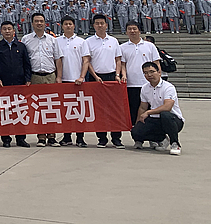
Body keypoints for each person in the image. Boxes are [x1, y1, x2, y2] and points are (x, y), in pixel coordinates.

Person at [80, 14, 124, 148]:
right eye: (97, 23)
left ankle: (116, 138)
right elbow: (87, 61)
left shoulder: (113, 41)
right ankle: (102, 138)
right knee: (99, 109)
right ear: (94, 26)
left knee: (115, 108)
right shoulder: (88, 42)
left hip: (112, 77)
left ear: (106, 25)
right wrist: (94, 76)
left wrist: (117, 74)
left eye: (102, 23)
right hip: (96, 78)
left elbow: (118, 60)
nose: (100, 25)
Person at [21, 12, 63, 147]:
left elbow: (58, 59)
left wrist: (59, 77)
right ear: (32, 23)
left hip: (50, 76)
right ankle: (41, 137)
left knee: (51, 107)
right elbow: (24, 60)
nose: (39, 23)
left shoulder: (52, 39)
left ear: (45, 23)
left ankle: (52, 137)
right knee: (37, 107)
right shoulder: (26, 39)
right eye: (36, 21)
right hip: (34, 77)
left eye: (41, 21)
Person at [0, 21, 32, 148]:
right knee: (5, 112)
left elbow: (27, 64)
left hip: (19, 83)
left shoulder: (21, 46)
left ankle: (21, 138)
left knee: (20, 111)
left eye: (9, 29)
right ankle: (6, 138)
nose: (7, 31)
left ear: (14, 31)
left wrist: (27, 78)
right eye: (4, 29)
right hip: (4, 84)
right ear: (1, 31)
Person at [131, 62, 185, 155]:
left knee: (165, 115)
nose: (149, 75)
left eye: (152, 72)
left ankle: (175, 144)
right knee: (135, 131)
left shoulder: (168, 87)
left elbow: (167, 107)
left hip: (173, 120)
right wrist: (138, 124)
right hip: (155, 119)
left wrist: (149, 112)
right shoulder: (145, 88)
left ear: (159, 72)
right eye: (146, 73)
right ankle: (161, 139)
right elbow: (143, 107)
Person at [120, 22, 160, 129]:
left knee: (150, 110)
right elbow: (123, 65)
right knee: (134, 110)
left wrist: (157, 77)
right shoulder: (122, 47)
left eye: (134, 29)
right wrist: (123, 75)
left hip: (148, 83)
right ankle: (137, 132)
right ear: (126, 32)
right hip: (131, 84)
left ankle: (152, 133)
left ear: (139, 31)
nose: (132, 31)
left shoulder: (150, 46)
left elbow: (156, 63)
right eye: (129, 29)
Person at [55, 16, 87, 147]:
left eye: (70, 24)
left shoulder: (81, 42)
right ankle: (66, 137)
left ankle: (80, 138)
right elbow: (57, 60)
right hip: (63, 81)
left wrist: (82, 77)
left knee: (80, 111)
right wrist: (58, 77)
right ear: (62, 26)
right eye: (66, 24)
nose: (68, 26)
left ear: (74, 26)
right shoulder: (57, 41)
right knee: (65, 111)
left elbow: (85, 61)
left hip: (78, 81)